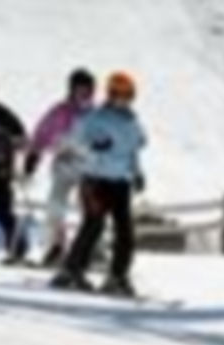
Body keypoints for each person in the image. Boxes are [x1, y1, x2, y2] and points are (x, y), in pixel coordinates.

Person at [51, 71, 146, 296]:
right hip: (95, 181)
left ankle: (117, 276)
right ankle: (71, 271)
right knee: (94, 224)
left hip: (120, 183)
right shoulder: (94, 118)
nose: (123, 99)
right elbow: (72, 144)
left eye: (127, 95)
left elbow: (133, 152)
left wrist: (138, 174)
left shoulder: (133, 123)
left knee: (126, 231)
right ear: (110, 94)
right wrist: (93, 149)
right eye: (119, 94)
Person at [24, 68, 96, 267]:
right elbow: (42, 133)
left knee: (91, 209)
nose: (83, 94)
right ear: (71, 89)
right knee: (55, 205)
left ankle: (93, 249)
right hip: (64, 165)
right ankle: (57, 246)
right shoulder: (60, 112)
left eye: (87, 90)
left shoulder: (96, 115)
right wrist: (33, 156)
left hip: (89, 168)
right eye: (79, 89)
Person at [0, 78, 27, 262]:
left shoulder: (3, 115)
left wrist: (14, 146)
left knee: (3, 212)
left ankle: (17, 248)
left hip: (0, 173)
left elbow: (22, 138)